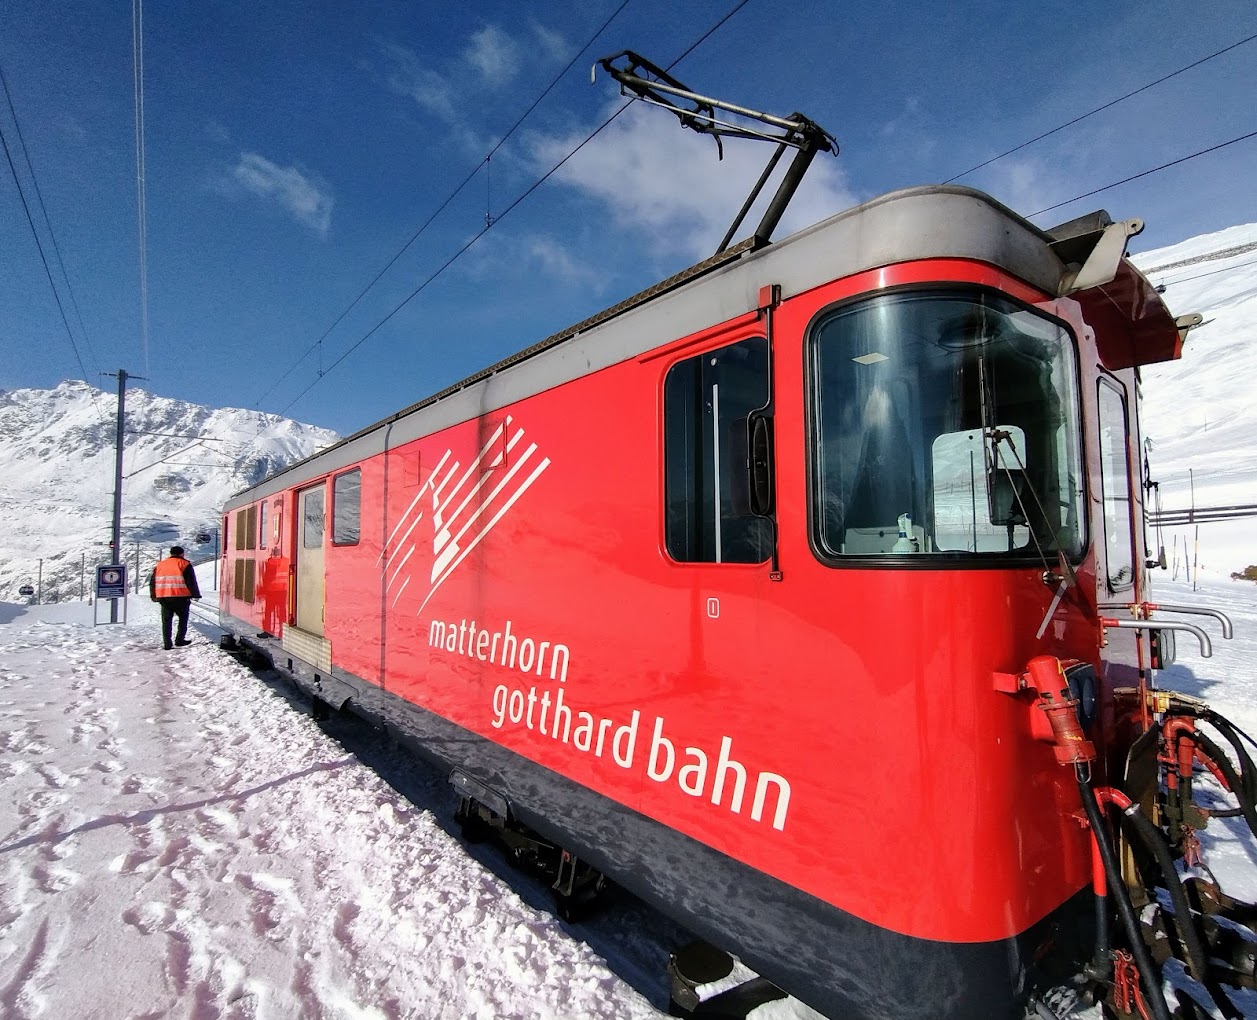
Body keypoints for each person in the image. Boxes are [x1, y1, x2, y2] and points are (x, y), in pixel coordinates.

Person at [149, 545, 202, 650]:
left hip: (164, 598)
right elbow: (191, 581)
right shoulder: (184, 564)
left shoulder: (160, 565)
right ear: (182, 554)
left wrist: (153, 596)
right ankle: (179, 640)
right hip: (181, 597)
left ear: (171, 553)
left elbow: (153, 582)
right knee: (183, 619)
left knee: (166, 621)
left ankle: (167, 643)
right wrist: (196, 594)